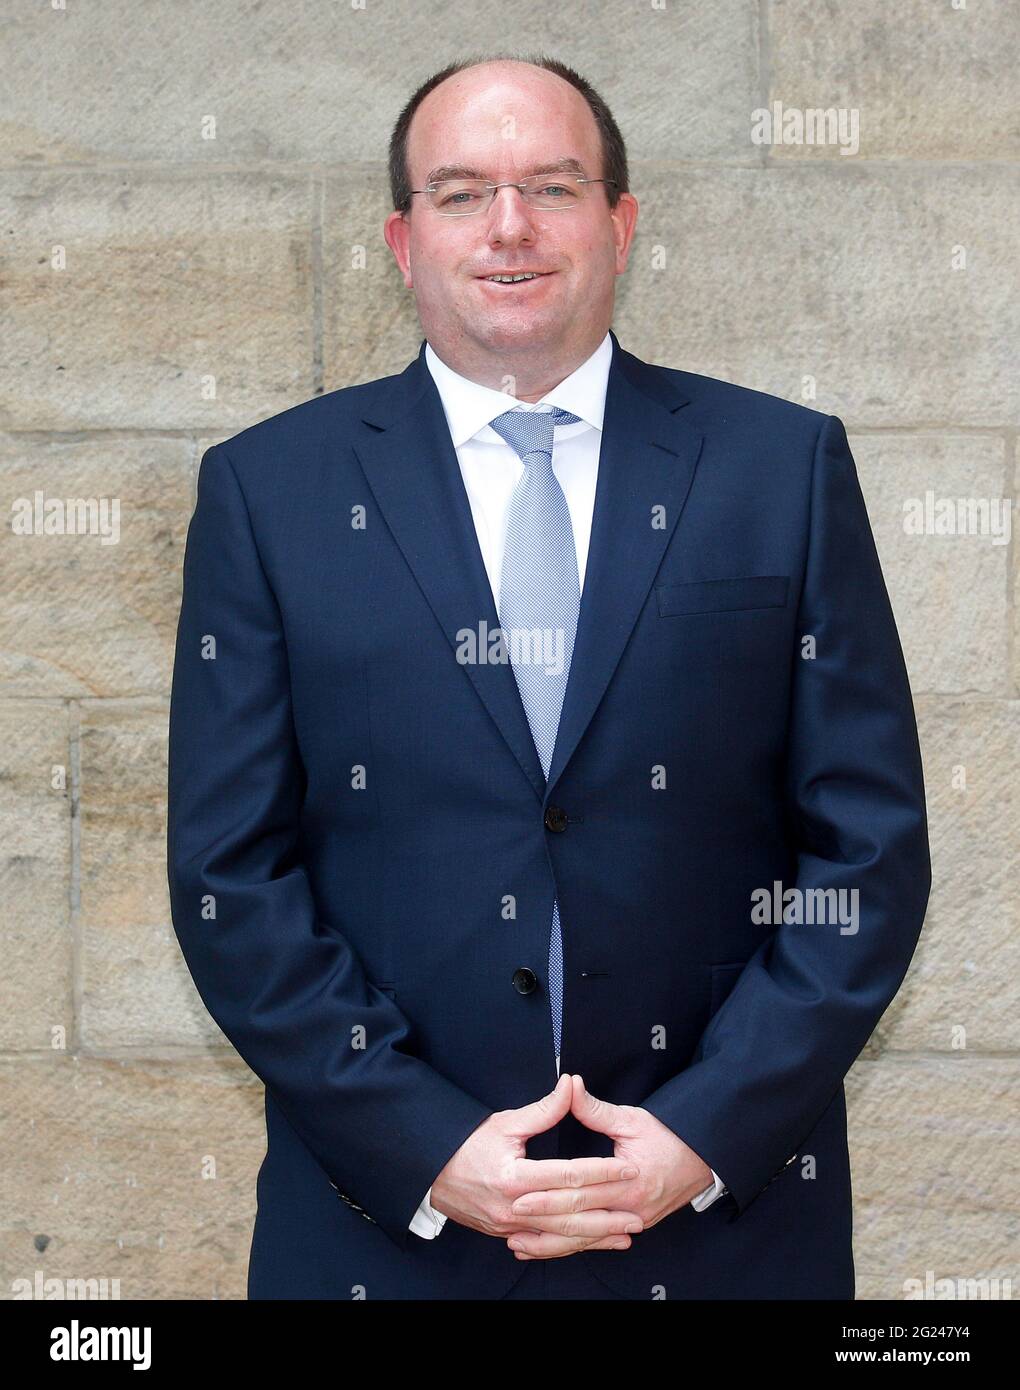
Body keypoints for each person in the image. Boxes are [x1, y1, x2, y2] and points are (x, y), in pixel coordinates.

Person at [167, 54, 931, 1300]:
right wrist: (423, 1143)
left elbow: (865, 859)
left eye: (553, 187)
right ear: (403, 240)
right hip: (387, 1237)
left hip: (718, 1236)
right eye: (463, 193)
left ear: (619, 225)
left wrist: (701, 1135)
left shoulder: (779, 469)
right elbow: (228, 876)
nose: (510, 226)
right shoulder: (269, 493)